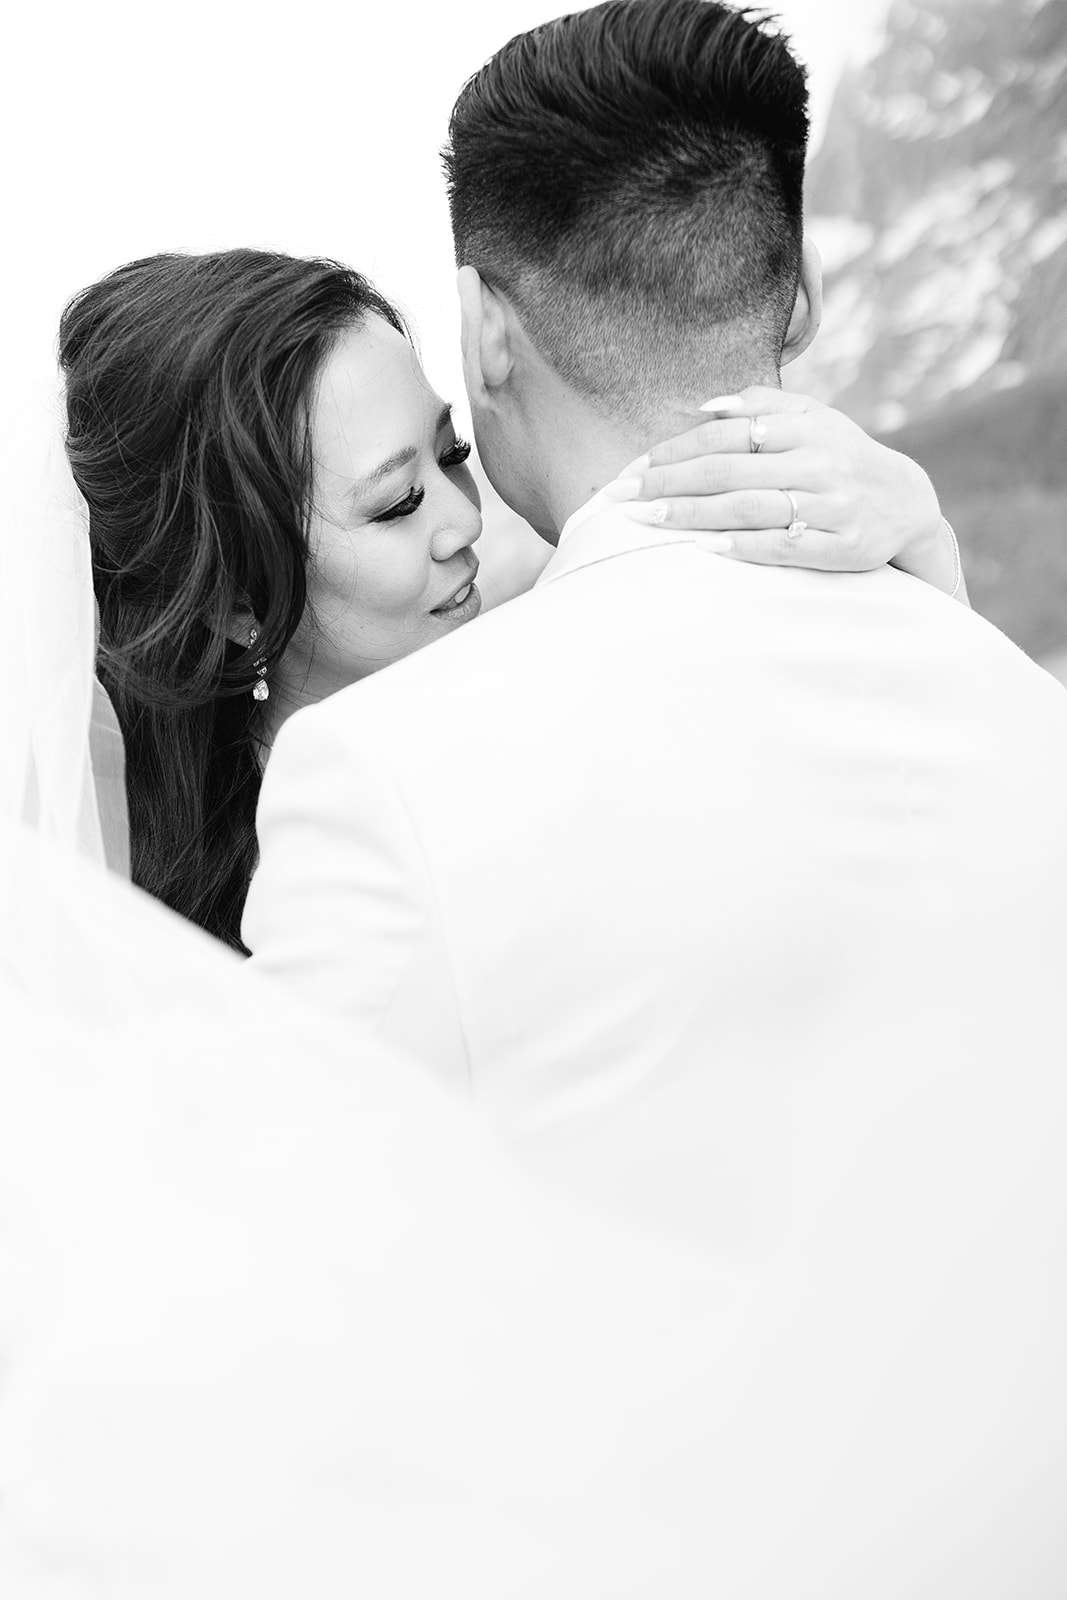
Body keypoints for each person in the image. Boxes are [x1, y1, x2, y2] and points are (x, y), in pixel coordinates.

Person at [244, 0, 1067, 1127]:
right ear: (801, 297)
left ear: (484, 328)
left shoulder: (378, 780)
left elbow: (279, 1212)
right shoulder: (1025, 713)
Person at [58, 244, 956, 951]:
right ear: (234, 605)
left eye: (451, 454)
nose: (463, 519)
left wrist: (924, 547)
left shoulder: (547, 702)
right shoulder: (285, 904)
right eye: (396, 504)